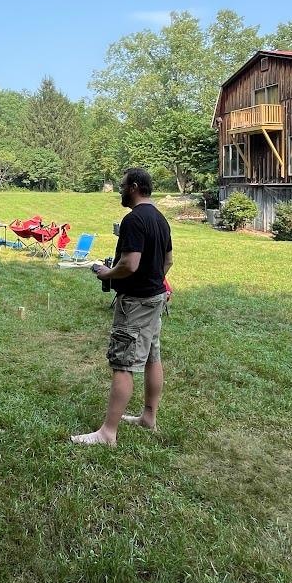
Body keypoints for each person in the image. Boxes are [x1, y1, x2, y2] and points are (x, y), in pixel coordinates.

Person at [71, 167, 172, 446]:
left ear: (134, 187)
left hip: (136, 304)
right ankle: (148, 417)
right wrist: (157, 282)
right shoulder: (161, 219)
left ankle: (108, 433)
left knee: (123, 365)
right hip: (155, 299)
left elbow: (130, 264)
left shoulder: (133, 220)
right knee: (152, 357)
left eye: (122, 185)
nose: (119, 190)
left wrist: (106, 273)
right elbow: (168, 261)